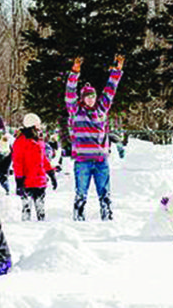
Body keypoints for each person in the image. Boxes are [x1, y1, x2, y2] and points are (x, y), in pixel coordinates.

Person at [66, 54, 124, 221]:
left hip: (100, 160)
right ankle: (79, 216)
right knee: (81, 192)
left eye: (93, 96)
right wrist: (74, 72)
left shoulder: (101, 109)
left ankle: (106, 215)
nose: (91, 99)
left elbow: (110, 90)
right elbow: (70, 92)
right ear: (83, 98)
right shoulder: (76, 111)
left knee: (104, 192)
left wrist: (117, 71)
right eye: (88, 96)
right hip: (83, 160)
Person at [12, 113, 57, 221]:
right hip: (27, 181)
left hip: (40, 180)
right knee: (26, 208)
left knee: (40, 208)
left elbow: (44, 158)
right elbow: (18, 162)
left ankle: (41, 228)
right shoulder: (20, 141)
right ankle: (27, 230)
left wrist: (51, 172)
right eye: (38, 124)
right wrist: (19, 180)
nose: (40, 126)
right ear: (32, 125)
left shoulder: (39, 139)